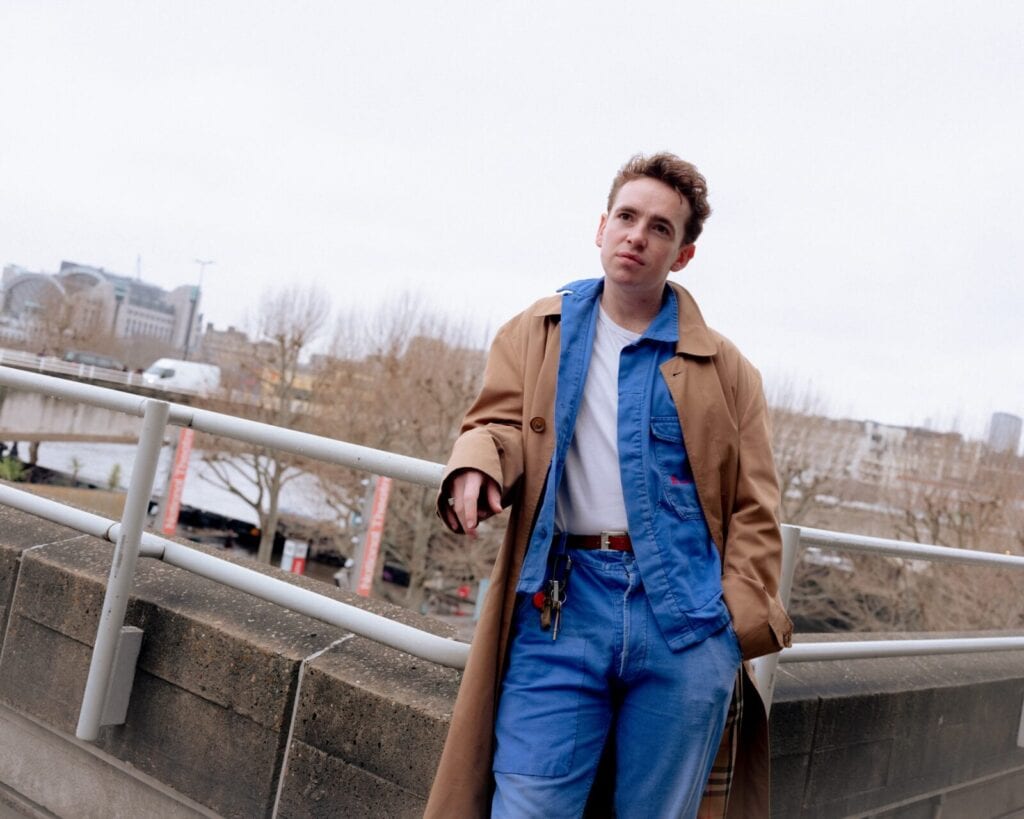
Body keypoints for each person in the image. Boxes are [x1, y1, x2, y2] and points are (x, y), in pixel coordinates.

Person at [425, 153, 792, 819]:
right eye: (626, 217)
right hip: (561, 608)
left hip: (684, 620)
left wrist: (727, 635)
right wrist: (477, 462)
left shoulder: (728, 370)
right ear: (600, 227)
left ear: (681, 255)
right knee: (529, 805)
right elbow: (499, 423)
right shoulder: (539, 331)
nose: (637, 236)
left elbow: (755, 509)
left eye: (659, 228)